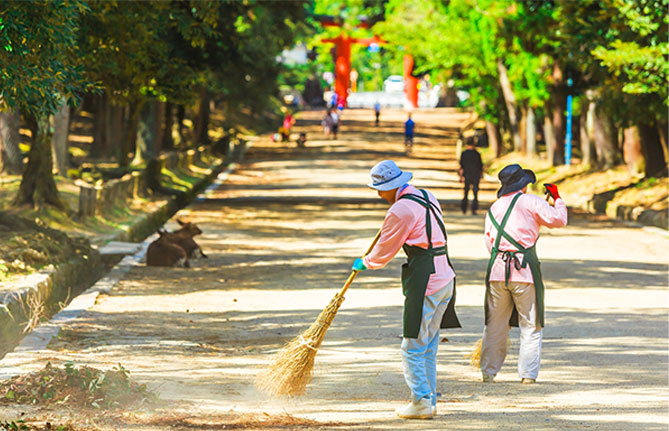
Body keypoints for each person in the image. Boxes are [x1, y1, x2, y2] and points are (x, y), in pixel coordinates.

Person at [352, 160, 460, 419]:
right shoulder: (426, 195)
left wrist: (365, 263)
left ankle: (421, 401)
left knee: (411, 345)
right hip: (445, 275)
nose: (379, 195)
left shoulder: (401, 210)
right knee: (428, 345)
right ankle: (429, 398)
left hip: (427, 280)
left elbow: (384, 251)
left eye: (380, 189)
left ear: (391, 186)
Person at [480, 164, 567, 384]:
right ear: (524, 184)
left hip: (497, 271)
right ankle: (527, 375)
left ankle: (488, 372)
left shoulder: (494, 208)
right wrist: (556, 199)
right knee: (531, 324)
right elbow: (559, 220)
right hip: (524, 271)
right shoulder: (533, 202)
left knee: (495, 325)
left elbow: (490, 244)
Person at [458, 136, 483, 215]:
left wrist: (461, 177)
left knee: (466, 192)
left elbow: (461, 167)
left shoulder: (464, 154)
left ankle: (464, 208)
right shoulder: (477, 154)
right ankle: (474, 209)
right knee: (475, 193)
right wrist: (481, 175)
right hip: (476, 175)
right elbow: (480, 166)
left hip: (467, 175)